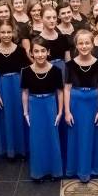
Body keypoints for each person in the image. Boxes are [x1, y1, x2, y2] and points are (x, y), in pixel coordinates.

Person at [64, 30, 98, 182]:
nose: (84, 46)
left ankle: (94, 168)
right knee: (77, 136)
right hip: (76, 104)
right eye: (80, 43)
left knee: (92, 135)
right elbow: (67, 89)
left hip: (93, 103)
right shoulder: (69, 65)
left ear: (92, 44)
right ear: (76, 45)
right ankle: (76, 168)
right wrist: (67, 111)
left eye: (87, 42)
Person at [21, 37, 64, 181]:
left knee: (52, 137)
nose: (40, 54)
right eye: (36, 51)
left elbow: (60, 92)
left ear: (48, 52)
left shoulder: (56, 70)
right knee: (37, 139)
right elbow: (25, 92)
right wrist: (25, 112)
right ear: (31, 53)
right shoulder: (26, 71)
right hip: (35, 105)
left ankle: (54, 171)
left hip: (50, 104)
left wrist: (60, 111)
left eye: (43, 51)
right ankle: (38, 172)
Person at [0, 20, 30, 160]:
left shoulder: (20, 50)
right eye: (3, 32)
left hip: (18, 85)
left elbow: (25, 70)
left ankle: (23, 149)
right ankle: (10, 150)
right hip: (2, 86)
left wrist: (26, 90)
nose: (6, 35)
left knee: (20, 115)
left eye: (8, 32)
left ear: (13, 33)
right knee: (6, 117)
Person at [40, 6, 71, 78]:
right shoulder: (38, 40)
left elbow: (68, 60)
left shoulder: (63, 38)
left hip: (62, 72)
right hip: (45, 74)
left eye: (54, 17)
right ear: (41, 19)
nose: (52, 20)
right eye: (48, 18)